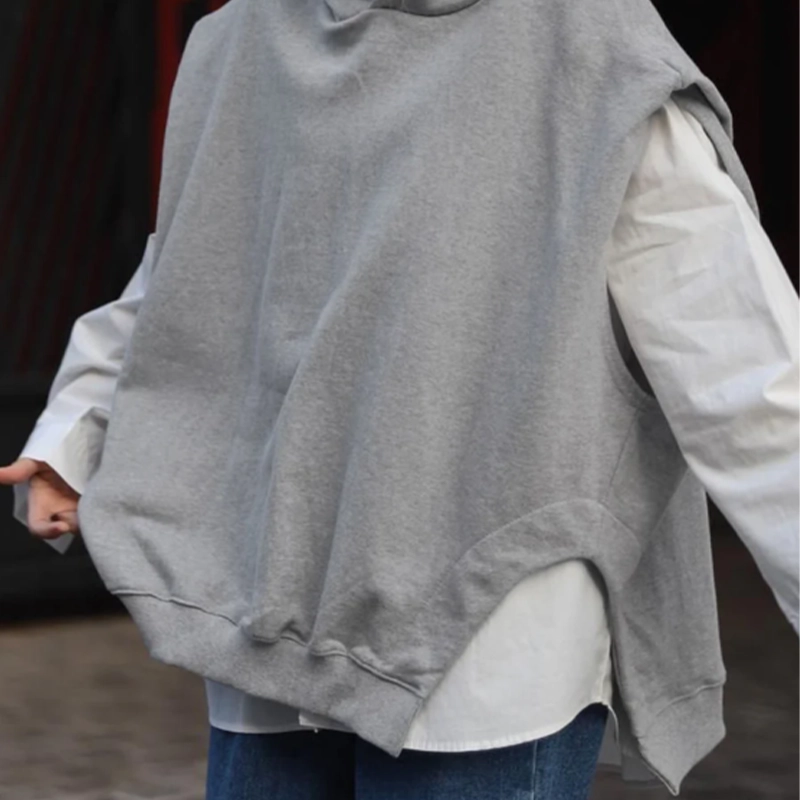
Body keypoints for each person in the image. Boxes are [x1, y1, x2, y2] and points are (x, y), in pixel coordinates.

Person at [2, 1, 797, 798]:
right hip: (271, 613)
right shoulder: (247, 35)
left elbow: (743, 365)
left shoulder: (584, 39)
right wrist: (78, 432)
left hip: (482, 641)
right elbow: (194, 262)